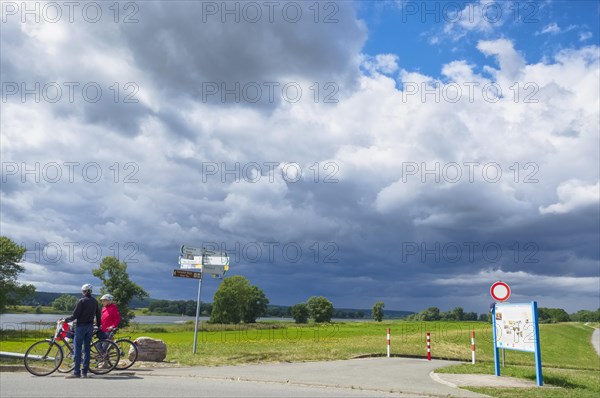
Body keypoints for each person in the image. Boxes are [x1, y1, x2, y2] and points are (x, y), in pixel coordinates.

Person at [63, 284, 101, 378]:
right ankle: (84, 372)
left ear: (84, 291)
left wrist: (65, 320)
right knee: (87, 350)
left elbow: (74, 315)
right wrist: (98, 325)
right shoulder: (94, 301)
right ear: (91, 292)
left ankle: (76, 372)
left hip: (81, 327)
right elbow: (98, 314)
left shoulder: (82, 301)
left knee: (77, 349)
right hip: (90, 327)